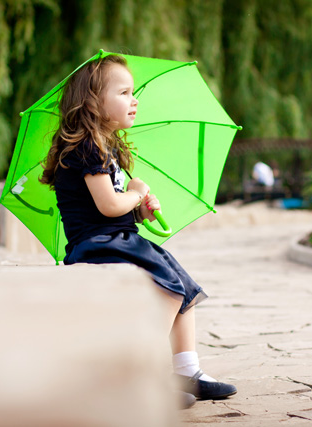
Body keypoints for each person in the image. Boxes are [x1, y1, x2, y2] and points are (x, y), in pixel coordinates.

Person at [39, 54, 237, 409]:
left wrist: (141, 211)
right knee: (168, 288)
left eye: (133, 92)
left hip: (119, 239)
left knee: (183, 287)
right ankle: (138, 377)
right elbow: (108, 206)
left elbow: (118, 209)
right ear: (93, 103)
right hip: (98, 244)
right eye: (124, 93)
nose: (134, 100)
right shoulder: (86, 148)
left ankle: (186, 371)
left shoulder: (108, 148)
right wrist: (134, 193)